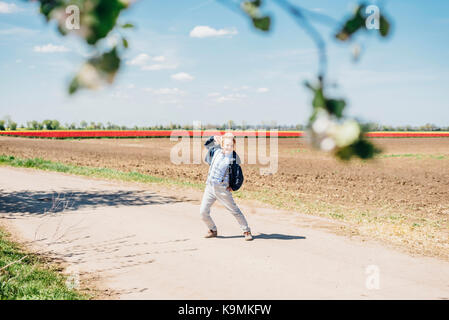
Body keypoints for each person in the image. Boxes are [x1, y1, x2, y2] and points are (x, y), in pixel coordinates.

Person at [200, 133, 253, 241]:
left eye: (231, 145)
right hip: (210, 187)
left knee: (235, 211)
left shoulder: (233, 160)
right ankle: (212, 230)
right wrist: (213, 137)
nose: (229, 147)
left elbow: (239, 176)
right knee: (203, 212)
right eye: (226, 145)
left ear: (233, 146)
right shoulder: (215, 151)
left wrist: (234, 187)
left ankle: (246, 230)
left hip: (222, 190)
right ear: (222, 144)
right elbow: (207, 145)